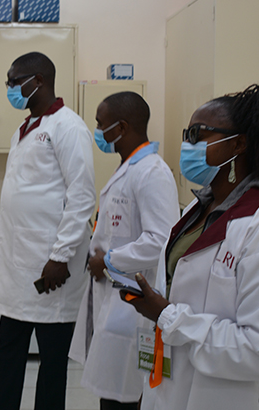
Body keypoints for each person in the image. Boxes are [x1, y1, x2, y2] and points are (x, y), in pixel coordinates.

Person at [128, 84, 259, 410]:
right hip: (175, 386)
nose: (187, 144)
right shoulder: (197, 210)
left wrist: (168, 316)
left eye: (198, 134)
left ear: (239, 143)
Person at [0, 52, 95, 410]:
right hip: (18, 270)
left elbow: (81, 197)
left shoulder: (68, 126)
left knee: (51, 365)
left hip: (51, 272)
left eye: (14, 80)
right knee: (8, 354)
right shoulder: (26, 128)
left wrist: (61, 257)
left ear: (38, 80)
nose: (10, 88)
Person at [69, 92, 179, 410]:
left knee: (126, 395)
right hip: (115, 298)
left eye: (101, 125)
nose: (98, 132)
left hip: (132, 304)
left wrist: (108, 260)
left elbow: (160, 240)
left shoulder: (152, 173)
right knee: (113, 393)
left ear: (123, 127)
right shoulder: (129, 168)